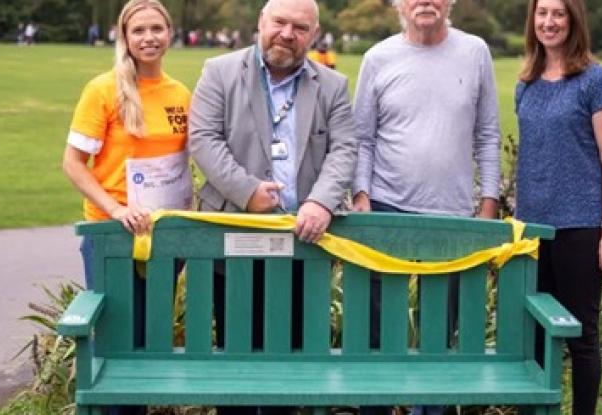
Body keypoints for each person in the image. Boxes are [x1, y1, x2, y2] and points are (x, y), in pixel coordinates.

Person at [188, 0, 356, 413]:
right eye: (279, 22)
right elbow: (204, 139)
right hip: (234, 240)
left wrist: (320, 201)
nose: (287, 33)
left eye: (300, 27)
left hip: (304, 243)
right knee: (236, 362)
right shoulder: (220, 71)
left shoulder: (332, 85)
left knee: (292, 363)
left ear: (313, 35)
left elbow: (345, 149)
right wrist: (246, 191)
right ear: (260, 23)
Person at [352, 0, 501, 414]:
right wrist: (361, 195)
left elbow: (487, 135)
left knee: (438, 332)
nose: (425, 2)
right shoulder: (378, 58)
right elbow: (362, 137)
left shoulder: (475, 52)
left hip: (452, 214)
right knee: (379, 332)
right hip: (385, 207)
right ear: (398, 4)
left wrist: (488, 205)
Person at [62, 2, 191, 413]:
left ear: (170, 33)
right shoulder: (103, 90)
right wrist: (115, 209)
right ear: (125, 37)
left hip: (164, 236)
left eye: (157, 28)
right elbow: (73, 164)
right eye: (139, 30)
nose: (149, 37)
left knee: (150, 340)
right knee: (116, 341)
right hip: (113, 235)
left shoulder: (180, 94)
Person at [514, 0, 602, 414]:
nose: (549, 22)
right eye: (542, 13)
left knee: (581, 337)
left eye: (558, 13)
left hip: (580, 227)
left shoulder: (595, 80)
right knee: (536, 334)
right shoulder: (525, 84)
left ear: (574, 19)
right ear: (532, 21)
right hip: (531, 231)